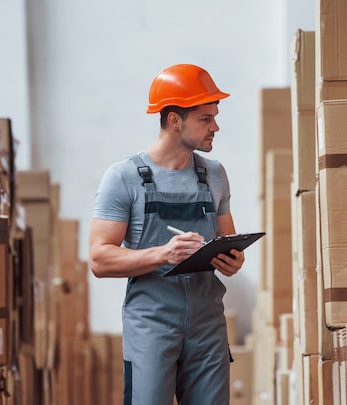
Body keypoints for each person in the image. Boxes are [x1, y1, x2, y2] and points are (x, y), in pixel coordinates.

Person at [88, 63, 245, 405]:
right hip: (152, 324)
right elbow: (99, 258)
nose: (215, 127)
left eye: (214, 116)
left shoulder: (215, 175)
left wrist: (232, 260)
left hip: (207, 322)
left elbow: (228, 241)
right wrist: (164, 253)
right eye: (206, 118)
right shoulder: (123, 178)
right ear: (175, 120)